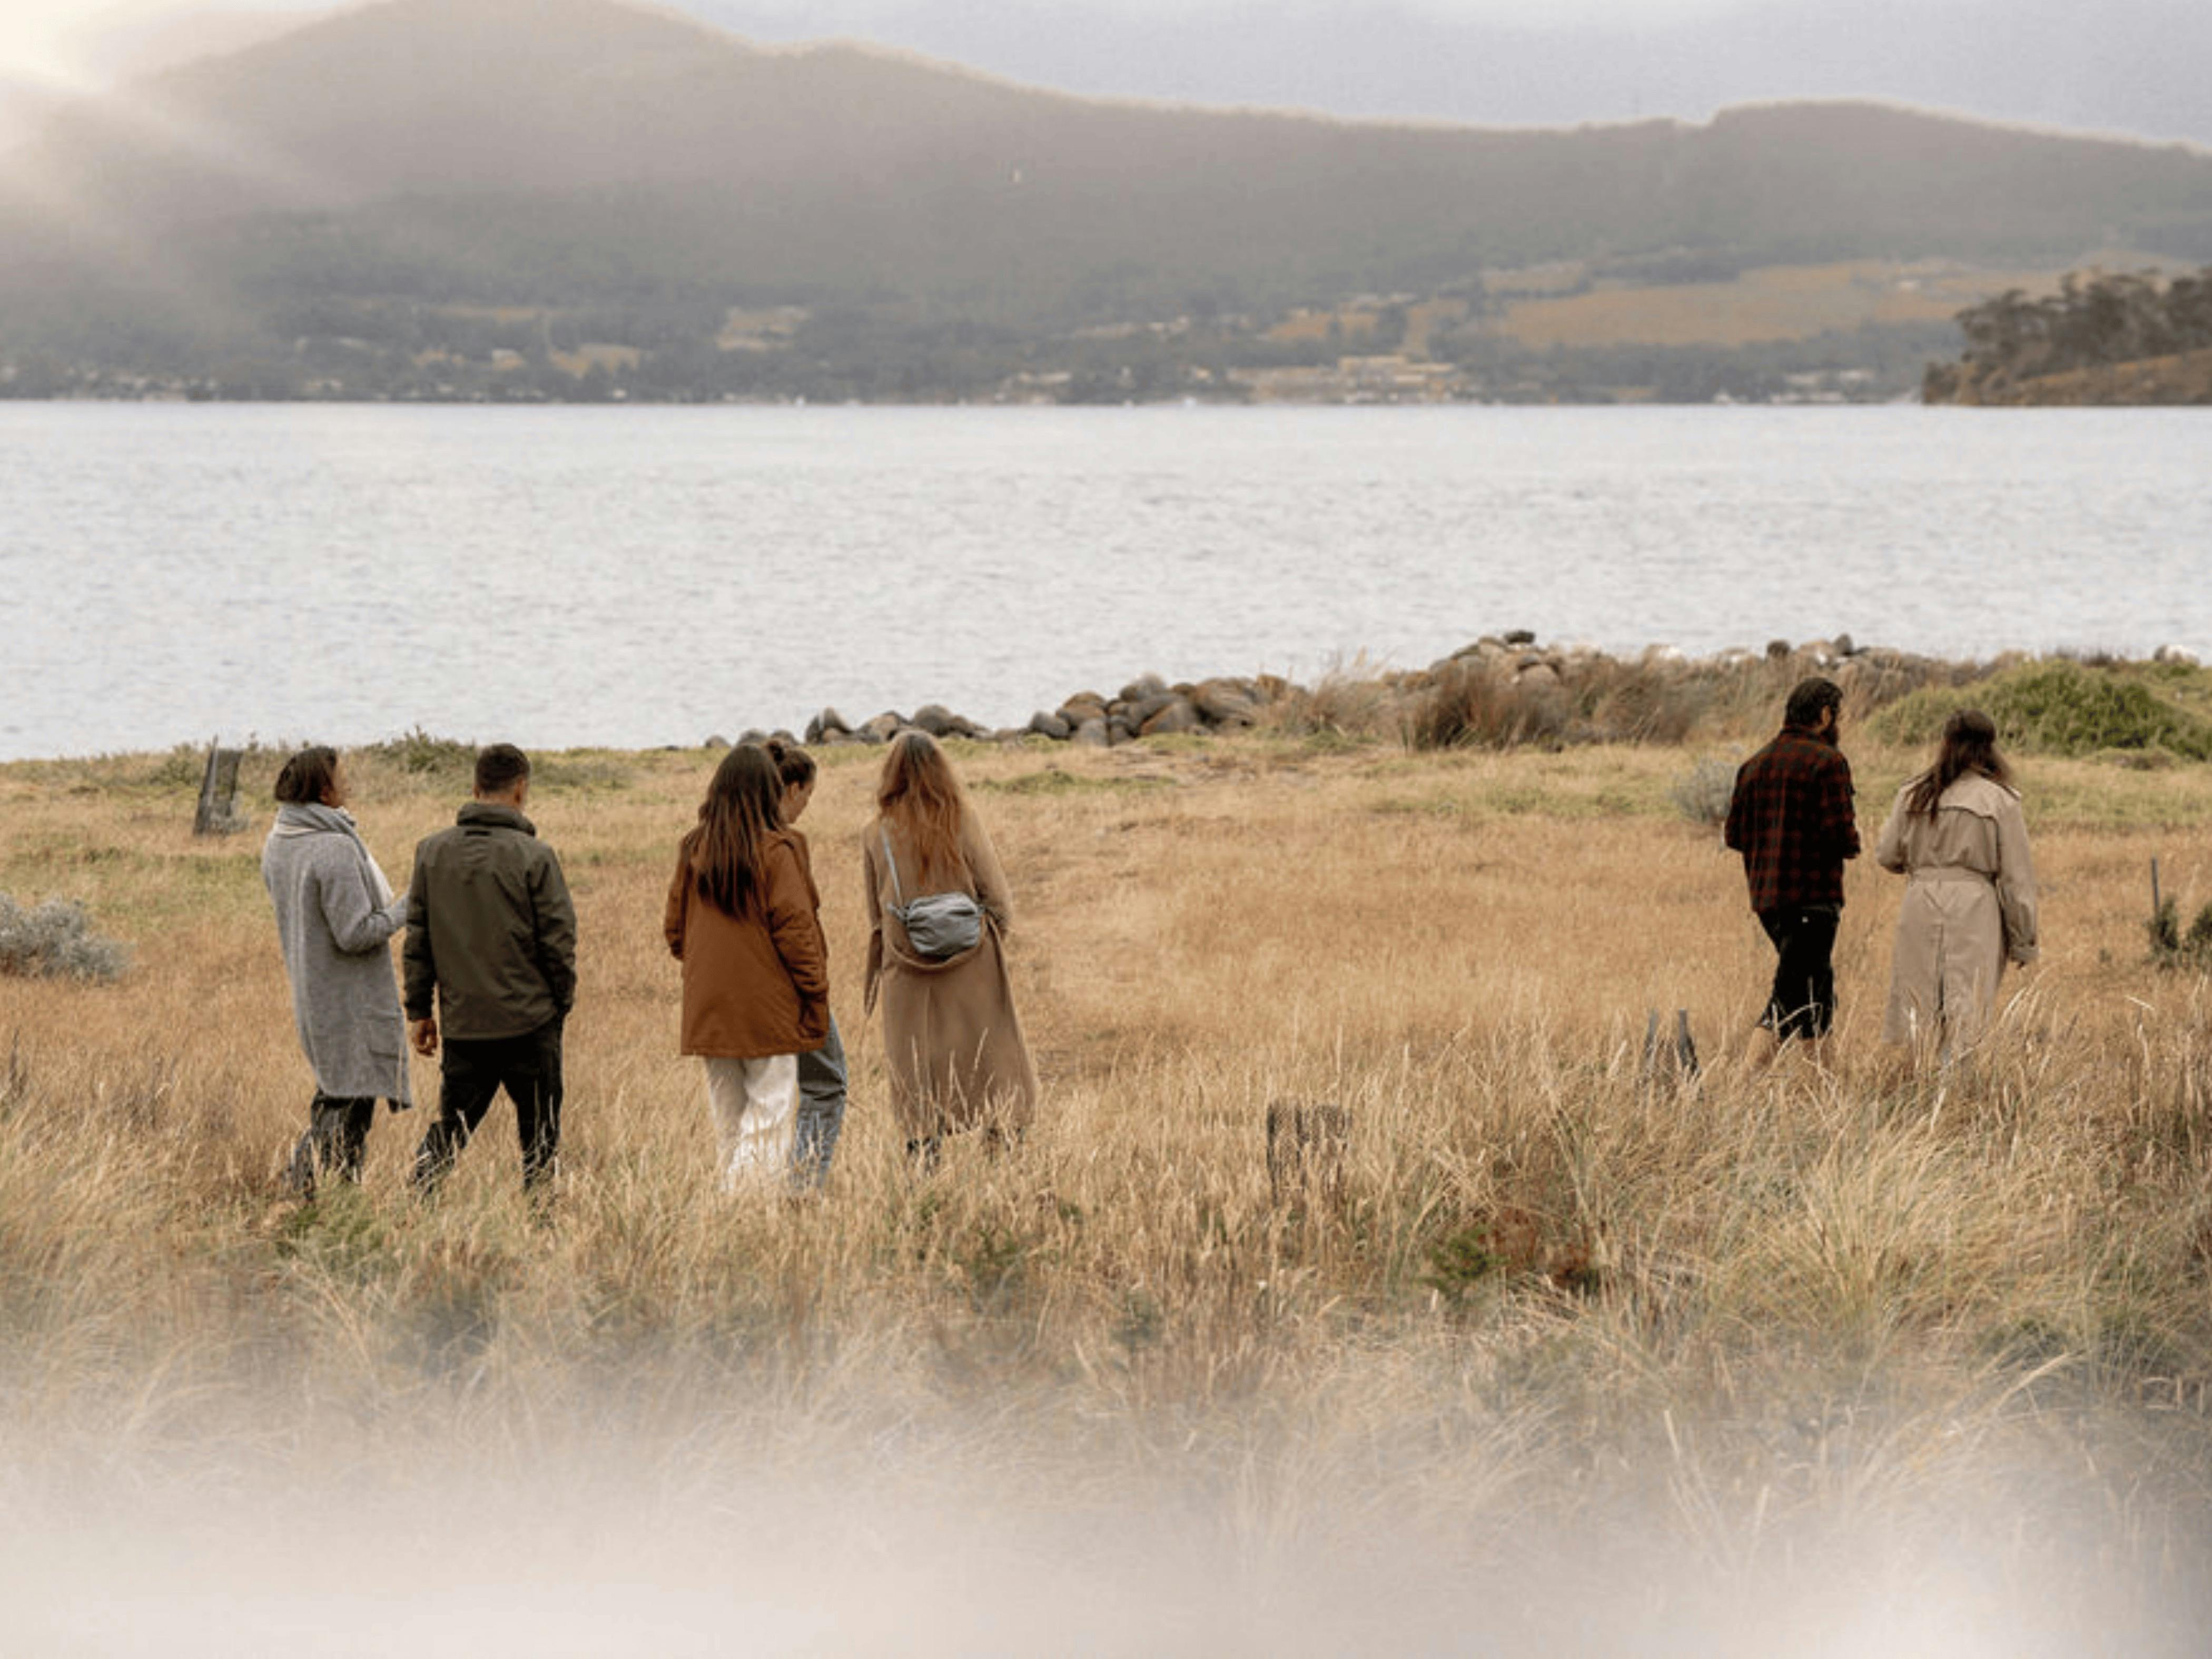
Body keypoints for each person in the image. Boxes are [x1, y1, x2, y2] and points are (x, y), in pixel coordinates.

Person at [403, 744, 576, 1199]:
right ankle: (542, 1221)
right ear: (521, 790)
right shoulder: (536, 856)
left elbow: (417, 939)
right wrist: (560, 1004)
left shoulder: (430, 853)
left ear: (476, 789)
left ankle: (416, 1203)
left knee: (450, 1131)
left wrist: (420, 1009)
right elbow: (559, 942)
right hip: (530, 1023)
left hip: (465, 1025)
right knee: (541, 1138)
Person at [864, 730, 1036, 1162]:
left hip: (906, 971)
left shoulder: (875, 833)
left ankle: (924, 1165)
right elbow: (998, 899)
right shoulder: (962, 819)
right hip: (973, 965)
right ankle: (1003, 1159)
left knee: (919, 1073)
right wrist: (983, 942)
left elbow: (877, 917)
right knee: (995, 1065)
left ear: (891, 775)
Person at [664, 744, 829, 1191]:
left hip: (709, 1006)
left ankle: (733, 1219)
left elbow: (675, 933)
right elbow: (797, 934)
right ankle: (737, 1209)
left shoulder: (693, 848)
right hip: (766, 1006)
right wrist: (815, 991)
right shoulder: (777, 851)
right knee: (770, 1115)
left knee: (731, 1122)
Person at [261, 746, 410, 1198]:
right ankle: (314, 1195)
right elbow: (356, 933)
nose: (348, 784)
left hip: (314, 994)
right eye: (341, 777)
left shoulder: (281, 838)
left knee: (335, 1097)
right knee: (348, 1111)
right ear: (324, 791)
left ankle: (310, 1197)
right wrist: (411, 904)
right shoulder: (334, 848)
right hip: (350, 1001)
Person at [1873, 709, 2039, 1060]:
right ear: (1990, 748)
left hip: (1920, 900)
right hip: (1975, 906)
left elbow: (1887, 855)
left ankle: (1921, 1086)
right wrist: (2024, 940)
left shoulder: (1913, 794)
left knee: (1920, 999)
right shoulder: (2000, 800)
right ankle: (1955, 1092)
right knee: (1967, 1001)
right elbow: (2016, 879)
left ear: (1945, 744)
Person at [1724, 676, 1862, 1060]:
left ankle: (1825, 1085)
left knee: (1815, 991)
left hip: (1768, 901)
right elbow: (1843, 839)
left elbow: (1734, 836)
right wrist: (1854, 840)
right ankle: (1744, 1083)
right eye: (1839, 717)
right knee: (1787, 998)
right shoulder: (1828, 762)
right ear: (1824, 715)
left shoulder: (1753, 765)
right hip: (1814, 901)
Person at [766, 738, 849, 1190]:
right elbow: (797, 926)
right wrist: (815, 989)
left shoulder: (729, 838)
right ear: (793, 789)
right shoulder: (786, 845)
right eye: (807, 798)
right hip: (793, 987)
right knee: (827, 1081)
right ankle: (803, 1183)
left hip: (749, 988)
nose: (805, 810)